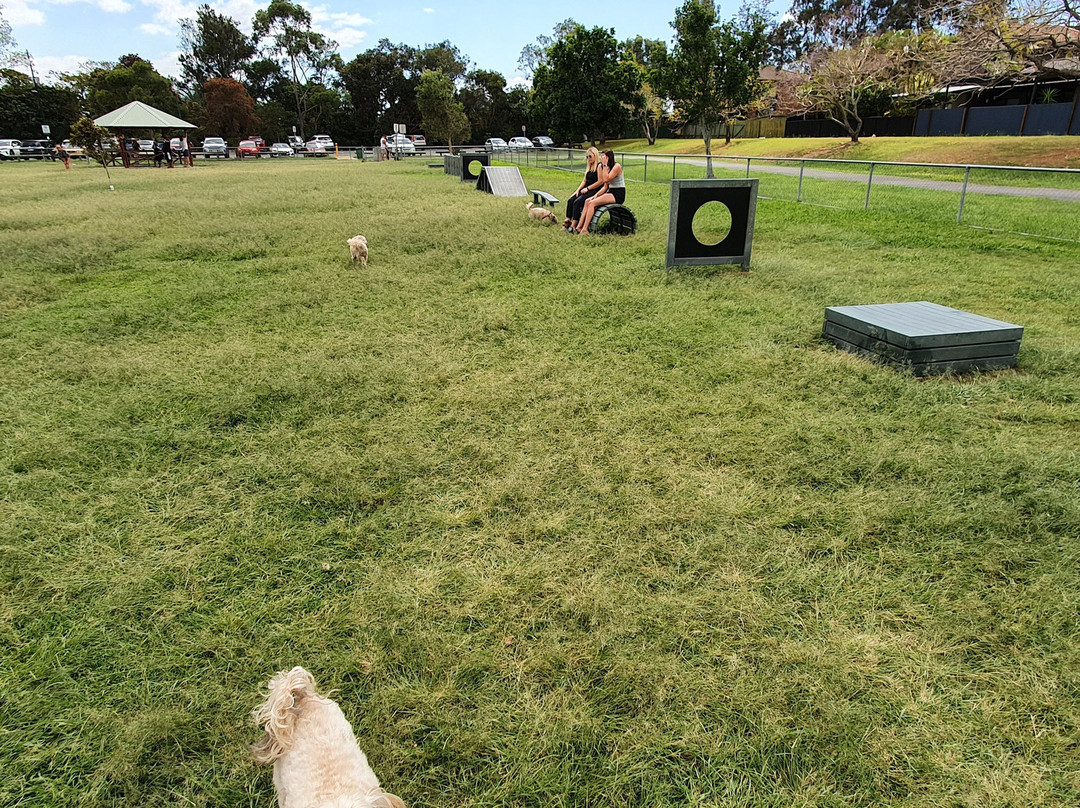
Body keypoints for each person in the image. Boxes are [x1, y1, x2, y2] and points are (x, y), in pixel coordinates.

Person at [575, 149, 625, 234]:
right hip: (610, 191)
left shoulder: (616, 167)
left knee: (592, 203)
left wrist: (605, 165)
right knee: (588, 201)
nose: (601, 159)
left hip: (618, 193)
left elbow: (606, 179)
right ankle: (579, 227)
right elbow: (605, 187)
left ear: (608, 157)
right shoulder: (607, 167)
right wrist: (596, 195)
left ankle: (585, 229)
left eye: (603, 157)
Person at [562, 147, 601, 232]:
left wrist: (588, 188)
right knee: (571, 200)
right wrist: (577, 190)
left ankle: (574, 225)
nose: (588, 159)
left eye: (590, 156)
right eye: (587, 157)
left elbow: (600, 182)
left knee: (577, 202)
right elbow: (584, 181)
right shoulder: (589, 167)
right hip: (585, 189)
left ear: (595, 155)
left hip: (594, 190)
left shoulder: (599, 166)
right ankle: (567, 221)